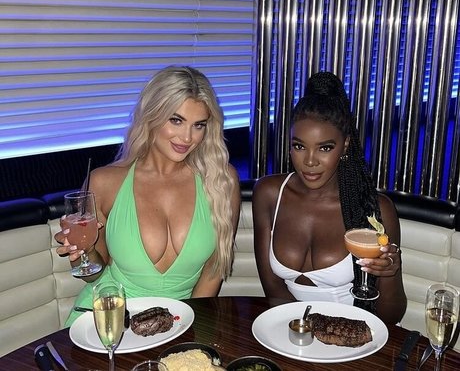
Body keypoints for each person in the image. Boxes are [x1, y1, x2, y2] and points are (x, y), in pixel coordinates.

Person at [56, 65, 241, 326]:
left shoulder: (220, 180)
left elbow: (213, 270)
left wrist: (193, 330)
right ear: (152, 115)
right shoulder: (105, 181)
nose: (187, 137)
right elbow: (93, 276)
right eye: (176, 120)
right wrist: (84, 253)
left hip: (179, 322)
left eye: (198, 125)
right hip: (110, 319)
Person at [252, 71, 406, 324]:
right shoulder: (268, 194)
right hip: (292, 329)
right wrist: (305, 334)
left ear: (345, 145)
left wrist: (389, 273)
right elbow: (273, 290)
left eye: (325, 148)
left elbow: (391, 317)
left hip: (355, 331)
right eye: (299, 146)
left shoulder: (375, 209)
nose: (310, 161)